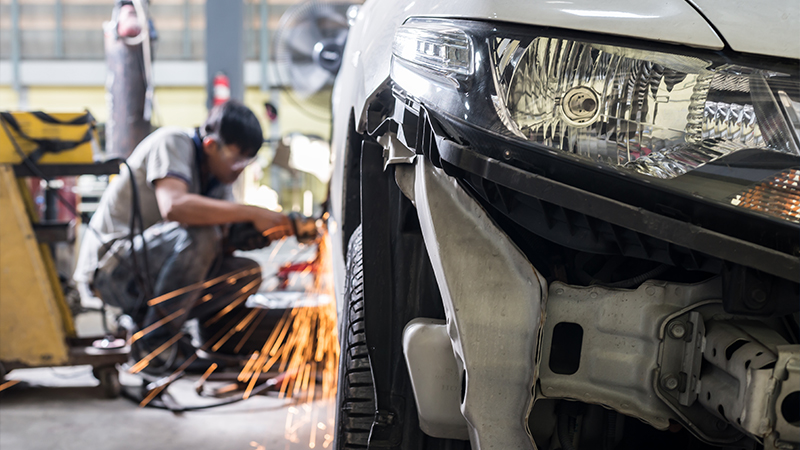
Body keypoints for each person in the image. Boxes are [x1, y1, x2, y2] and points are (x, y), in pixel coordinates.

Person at [74, 100, 290, 372]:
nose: (240, 170)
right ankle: (156, 346)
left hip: (151, 272)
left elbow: (212, 248)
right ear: (211, 145)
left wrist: (244, 235)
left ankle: (196, 340)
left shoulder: (217, 181)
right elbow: (174, 207)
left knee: (245, 274)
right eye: (236, 160)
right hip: (113, 270)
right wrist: (251, 213)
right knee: (202, 235)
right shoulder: (173, 142)